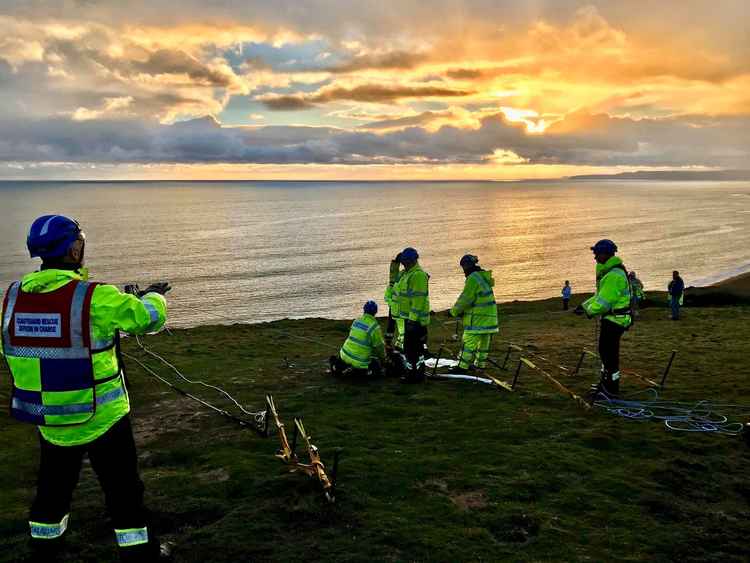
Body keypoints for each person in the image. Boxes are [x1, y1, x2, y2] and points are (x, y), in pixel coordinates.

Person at [1, 215, 170, 562]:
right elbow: (147, 319)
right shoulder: (95, 297)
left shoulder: (13, 298)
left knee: (52, 492)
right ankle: (140, 555)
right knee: (124, 492)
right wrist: (154, 297)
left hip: (49, 422)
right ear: (75, 248)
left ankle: (44, 551)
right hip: (104, 418)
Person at [574, 239, 632, 397]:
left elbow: (604, 303)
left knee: (609, 354)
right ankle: (606, 384)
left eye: (597, 254)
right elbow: (599, 296)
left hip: (615, 320)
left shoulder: (613, 276)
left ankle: (611, 389)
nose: (595, 258)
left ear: (606, 254)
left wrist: (589, 312)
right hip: (613, 320)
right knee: (606, 352)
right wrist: (584, 306)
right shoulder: (610, 273)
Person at [449, 255, 499, 373]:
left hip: (478, 319)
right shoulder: (482, 277)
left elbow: (466, 299)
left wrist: (453, 312)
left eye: (464, 267)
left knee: (468, 342)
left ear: (466, 266)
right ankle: (480, 365)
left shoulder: (473, 279)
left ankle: (462, 366)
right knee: (483, 344)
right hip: (489, 317)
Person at [393, 247, 430, 382]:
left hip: (415, 322)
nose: (404, 264)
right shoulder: (405, 274)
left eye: (406, 261)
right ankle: (413, 373)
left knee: (414, 350)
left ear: (413, 260)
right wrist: (394, 263)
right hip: (408, 319)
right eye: (403, 262)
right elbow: (394, 280)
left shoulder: (418, 275)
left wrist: (413, 320)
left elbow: (418, 300)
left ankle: (415, 374)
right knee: (410, 349)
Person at [330, 300, 386, 378]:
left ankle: (341, 366)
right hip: (360, 362)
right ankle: (356, 371)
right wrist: (384, 359)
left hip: (344, 354)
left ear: (364, 310)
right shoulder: (374, 327)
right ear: (375, 312)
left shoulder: (356, 321)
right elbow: (379, 347)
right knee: (376, 365)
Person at [384, 253, 404, 353]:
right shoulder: (401, 276)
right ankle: (397, 345)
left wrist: (390, 301)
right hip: (397, 306)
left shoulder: (395, 276)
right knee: (400, 326)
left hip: (393, 303)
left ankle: (389, 342)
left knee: (391, 325)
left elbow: (393, 271)